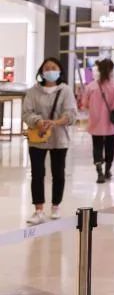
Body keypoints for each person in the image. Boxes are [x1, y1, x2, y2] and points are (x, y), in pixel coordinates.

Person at [22, 57, 78, 224]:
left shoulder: (66, 90)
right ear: (41, 71)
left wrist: (55, 123)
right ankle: (38, 210)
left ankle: (55, 206)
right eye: (47, 68)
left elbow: (71, 114)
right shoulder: (33, 91)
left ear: (59, 71)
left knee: (58, 173)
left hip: (59, 138)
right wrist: (38, 121)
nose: (50, 71)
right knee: (37, 173)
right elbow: (26, 112)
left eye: (54, 68)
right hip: (37, 138)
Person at [80, 58, 114, 184]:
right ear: (112, 69)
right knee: (110, 146)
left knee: (97, 146)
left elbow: (84, 104)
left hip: (95, 123)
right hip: (112, 123)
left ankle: (99, 172)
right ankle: (108, 170)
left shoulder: (91, 86)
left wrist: (95, 108)